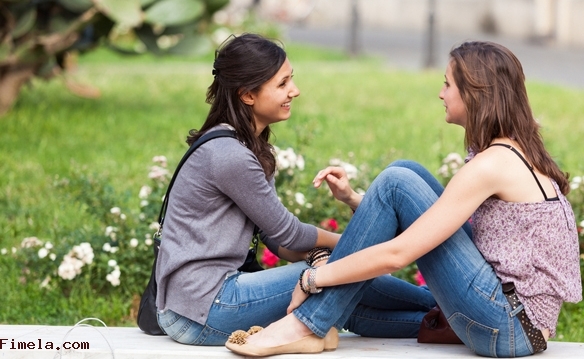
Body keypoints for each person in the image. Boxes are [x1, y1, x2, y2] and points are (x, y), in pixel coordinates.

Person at [225, 41, 582, 357]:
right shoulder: (511, 150)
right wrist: (354, 199)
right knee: (405, 170)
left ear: (474, 93)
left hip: (506, 327)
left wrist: (312, 279)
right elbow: (431, 224)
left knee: (397, 181)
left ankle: (306, 326)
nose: (441, 93)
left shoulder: (493, 164)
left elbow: (401, 252)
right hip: (515, 320)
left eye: (447, 84)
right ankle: (327, 321)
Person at [154, 33, 438, 346]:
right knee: (327, 277)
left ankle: (439, 323)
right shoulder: (229, 155)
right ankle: (441, 308)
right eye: (283, 83)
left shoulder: (249, 147)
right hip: (204, 309)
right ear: (247, 94)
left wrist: (333, 256)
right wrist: (355, 246)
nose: (295, 91)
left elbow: (277, 242)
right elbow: (290, 235)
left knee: (339, 293)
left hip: (208, 303)